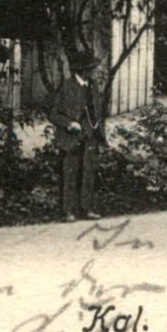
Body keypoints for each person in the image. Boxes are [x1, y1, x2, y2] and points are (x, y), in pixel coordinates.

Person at [48, 57, 106, 223]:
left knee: (88, 173)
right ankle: (68, 211)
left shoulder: (93, 86)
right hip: (71, 138)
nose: (96, 72)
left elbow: (98, 114)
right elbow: (53, 114)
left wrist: (99, 134)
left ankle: (86, 209)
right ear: (84, 71)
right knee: (70, 173)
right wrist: (69, 124)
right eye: (93, 69)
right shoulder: (66, 87)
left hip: (90, 137)